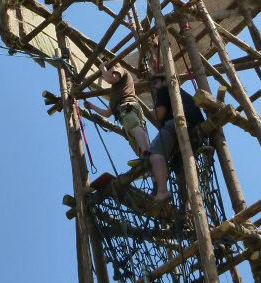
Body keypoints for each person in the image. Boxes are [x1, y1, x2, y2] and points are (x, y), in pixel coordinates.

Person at [148, 73, 205, 204]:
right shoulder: (180, 93)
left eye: (155, 83)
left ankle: (161, 191)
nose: (154, 88)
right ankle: (188, 206)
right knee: (180, 165)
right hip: (196, 132)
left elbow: (160, 115)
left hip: (176, 125)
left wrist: (151, 113)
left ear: (163, 81)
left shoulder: (164, 90)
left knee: (155, 154)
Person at [84, 59, 151, 165]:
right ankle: (145, 156)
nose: (106, 73)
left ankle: (147, 153)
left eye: (109, 70)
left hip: (127, 106)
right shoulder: (115, 92)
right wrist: (91, 106)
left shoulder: (121, 70)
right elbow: (107, 113)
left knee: (134, 127)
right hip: (126, 108)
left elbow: (111, 78)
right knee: (135, 133)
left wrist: (102, 68)